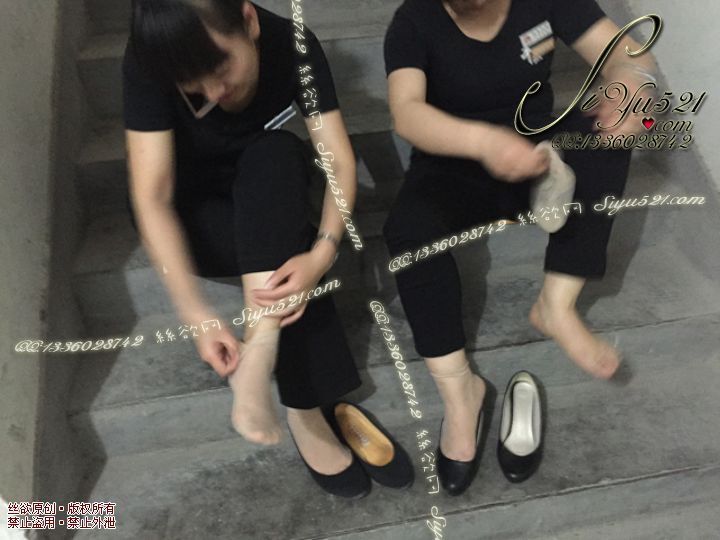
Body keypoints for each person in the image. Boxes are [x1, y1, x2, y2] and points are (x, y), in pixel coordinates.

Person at [382, 0, 657, 494]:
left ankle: (556, 305)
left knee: (606, 133)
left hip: (537, 153)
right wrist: (484, 143)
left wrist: (633, 84)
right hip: (453, 162)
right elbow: (407, 113)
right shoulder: (414, 20)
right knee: (408, 232)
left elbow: (626, 52)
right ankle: (461, 394)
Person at [123, 0, 367, 495]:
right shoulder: (152, 56)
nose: (214, 93)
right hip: (195, 222)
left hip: (263, 197)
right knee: (286, 233)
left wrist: (322, 254)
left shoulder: (293, 45)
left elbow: (339, 161)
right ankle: (304, 408)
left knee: (278, 154)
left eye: (221, 71)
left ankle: (262, 350)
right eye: (196, 85)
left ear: (249, 21)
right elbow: (152, 199)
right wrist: (197, 315)